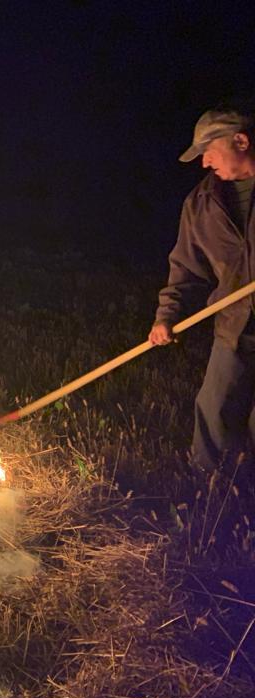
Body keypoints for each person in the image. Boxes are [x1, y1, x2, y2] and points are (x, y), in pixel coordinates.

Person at [150, 104, 255, 474]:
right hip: (235, 327)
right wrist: (167, 316)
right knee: (214, 416)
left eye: (208, 150)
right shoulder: (200, 205)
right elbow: (185, 267)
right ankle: (206, 499)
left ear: (240, 140)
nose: (204, 162)